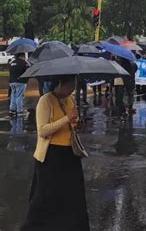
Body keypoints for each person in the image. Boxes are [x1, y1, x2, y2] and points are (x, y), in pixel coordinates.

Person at [22, 75, 90, 230]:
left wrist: (77, 123)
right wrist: (67, 118)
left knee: (72, 194)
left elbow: (71, 124)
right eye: (69, 87)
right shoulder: (45, 101)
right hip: (51, 154)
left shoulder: (70, 99)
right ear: (59, 84)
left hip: (70, 153)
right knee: (47, 195)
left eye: (74, 87)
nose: (71, 90)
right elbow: (43, 131)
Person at [9, 52, 29, 117]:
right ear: (22, 56)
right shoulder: (24, 63)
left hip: (12, 82)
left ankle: (12, 110)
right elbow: (28, 71)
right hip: (21, 81)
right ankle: (19, 111)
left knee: (13, 95)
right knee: (19, 96)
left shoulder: (12, 63)